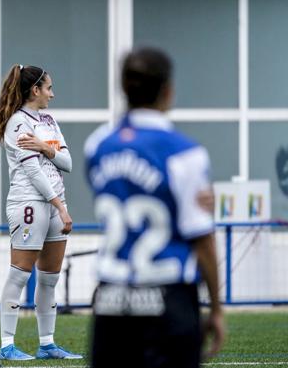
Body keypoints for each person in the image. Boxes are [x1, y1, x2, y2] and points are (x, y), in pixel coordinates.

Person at [84, 47, 225, 368]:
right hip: (168, 299)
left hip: (111, 301)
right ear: (168, 90)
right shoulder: (185, 153)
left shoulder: (98, 145)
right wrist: (216, 308)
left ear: (123, 88)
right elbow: (201, 238)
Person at [0, 65, 82, 360]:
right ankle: (7, 345)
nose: (52, 95)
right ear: (35, 90)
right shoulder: (17, 123)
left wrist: (44, 146)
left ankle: (47, 344)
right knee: (20, 275)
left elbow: (68, 162)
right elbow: (33, 171)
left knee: (49, 279)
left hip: (56, 203)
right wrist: (60, 206)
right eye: (49, 88)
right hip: (29, 204)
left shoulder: (48, 121)